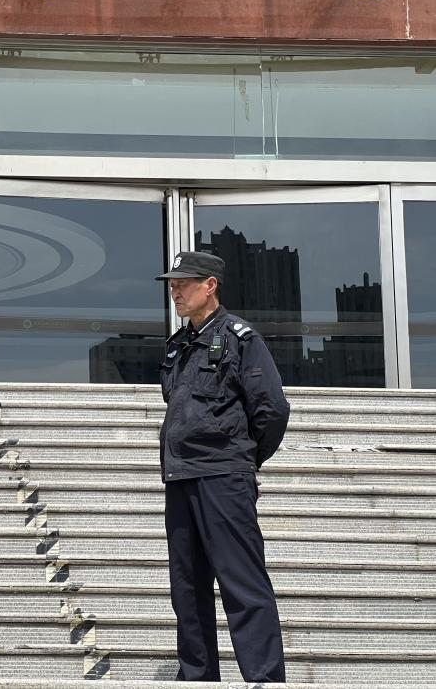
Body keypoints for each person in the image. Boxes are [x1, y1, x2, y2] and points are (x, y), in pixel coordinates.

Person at [155, 251, 291, 683]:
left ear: (210, 285)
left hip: (223, 477)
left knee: (242, 582)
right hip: (181, 476)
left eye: (183, 283)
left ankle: (264, 677)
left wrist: (242, 459)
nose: (175, 291)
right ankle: (197, 677)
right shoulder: (178, 345)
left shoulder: (240, 338)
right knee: (187, 588)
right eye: (173, 285)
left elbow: (272, 409)